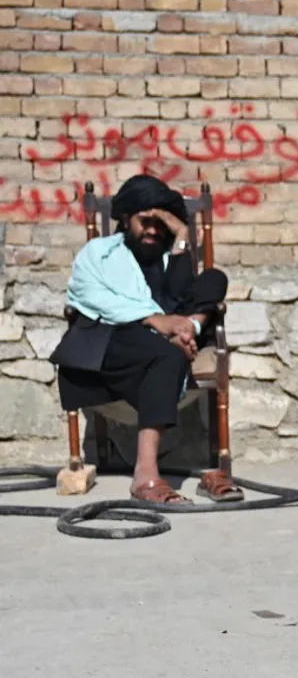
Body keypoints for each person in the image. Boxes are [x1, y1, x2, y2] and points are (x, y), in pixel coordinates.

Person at [49, 174, 242, 504]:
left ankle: (188, 330)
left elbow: (182, 296)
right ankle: (145, 475)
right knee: (168, 355)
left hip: (170, 330)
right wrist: (155, 320)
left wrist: (182, 236)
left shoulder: (169, 254)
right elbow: (90, 296)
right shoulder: (101, 253)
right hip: (115, 335)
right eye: (145, 221)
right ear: (127, 219)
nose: (153, 230)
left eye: (160, 223)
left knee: (214, 279)